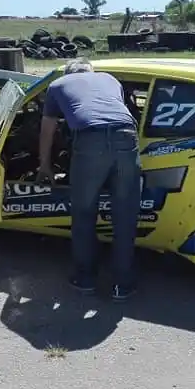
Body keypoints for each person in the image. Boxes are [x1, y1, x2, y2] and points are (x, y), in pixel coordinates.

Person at [38, 58, 141, 302]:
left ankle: (85, 279)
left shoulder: (57, 84)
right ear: (91, 71)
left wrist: (44, 165)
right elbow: (117, 110)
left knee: (84, 214)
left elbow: (47, 130)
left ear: (69, 72)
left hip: (89, 140)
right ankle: (122, 285)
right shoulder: (110, 79)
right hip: (127, 137)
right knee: (125, 216)